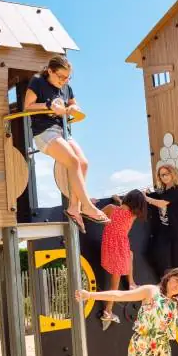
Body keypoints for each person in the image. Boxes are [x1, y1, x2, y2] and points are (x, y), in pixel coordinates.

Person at [23, 56, 109, 229]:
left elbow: (75, 106)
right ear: (50, 71)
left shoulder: (66, 88)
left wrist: (73, 109)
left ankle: (73, 207)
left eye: (67, 77)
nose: (63, 81)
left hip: (64, 132)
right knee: (73, 161)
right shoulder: (38, 81)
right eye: (60, 77)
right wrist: (48, 106)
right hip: (45, 132)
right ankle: (86, 205)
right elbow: (27, 106)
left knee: (83, 163)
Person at [99, 189, 168, 328]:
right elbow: (125, 209)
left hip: (108, 246)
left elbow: (99, 215)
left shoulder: (111, 209)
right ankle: (108, 310)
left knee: (123, 265)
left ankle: (128, 287)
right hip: (121, 248)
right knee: (116, 281)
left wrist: (117, 200)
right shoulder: (132, 216)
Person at [150, 164, 178, 277]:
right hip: (165, 229)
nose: (163, 177)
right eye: (161, 175)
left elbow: (161, 203)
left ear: (172, 174)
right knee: (159, 253)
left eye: (165, 174)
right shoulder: (164, 191)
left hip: (176, 230)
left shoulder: (175, 189)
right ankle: (165, 279)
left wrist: (145, 198)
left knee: (176, 260)